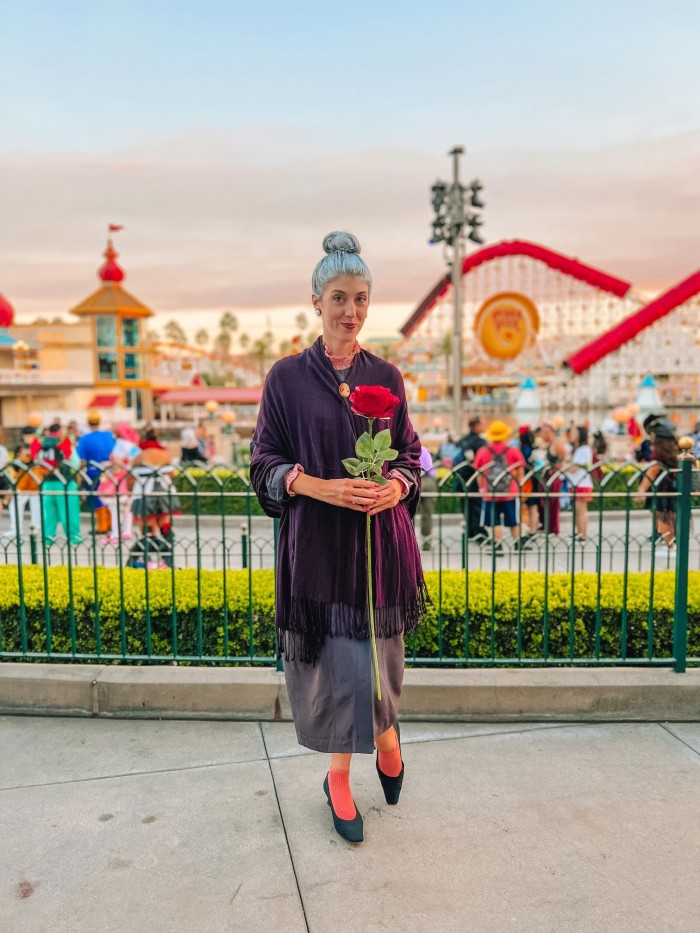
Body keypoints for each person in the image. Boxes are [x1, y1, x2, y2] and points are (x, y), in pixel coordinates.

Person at [250, 231, 426, 844]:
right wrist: (322, 487)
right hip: (320, 550)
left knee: (380, 664)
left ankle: (385, 735)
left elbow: (411, 455)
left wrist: (395, 489)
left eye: (360, 298)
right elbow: (263, 462)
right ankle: (342, 777)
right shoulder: (287, 378)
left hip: (381, 550)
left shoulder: (387, 374)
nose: (350, 311)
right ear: (316, 302)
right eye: (338, 297)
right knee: (344, 668)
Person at [473, 420, 526, 555]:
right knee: (514, 520)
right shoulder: (512, 451)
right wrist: (519, 485)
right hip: (510, 492)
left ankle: (497, 545)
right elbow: (520, 470)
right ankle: (517, 544)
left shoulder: (483, 451)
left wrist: (482, 489)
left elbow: (479, 473)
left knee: (494, 521)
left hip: (491, 493)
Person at [30, 421, 82, 546]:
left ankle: (48, 538)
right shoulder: (63, 443)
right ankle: (74, 537)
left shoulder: (41, 444)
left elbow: (34, 460)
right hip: (64, 482)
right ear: (59, 431)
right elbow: (75, 463)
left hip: (47, 483)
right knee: (69, 512)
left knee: (49, 514)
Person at [634, 423, 678, 557]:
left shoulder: (658, 453)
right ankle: (671, 545)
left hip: (662, 489)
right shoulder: (674, 450)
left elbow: (652, 472)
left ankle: (671, 546)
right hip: (671, 488)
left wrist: (641, 490)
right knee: (669, 517)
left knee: (662, 518)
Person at [98, 422, 140, 543]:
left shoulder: (120, 444)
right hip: (130, 479)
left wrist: (108, 465)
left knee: (115, 508)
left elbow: (117, 463)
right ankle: (127, 531)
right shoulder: (132, 445)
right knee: (128, 508)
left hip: (119, 480)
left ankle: (116, 533)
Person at [77, 411, 115, 534]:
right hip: (110, 471)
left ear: (88, 423)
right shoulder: (109, 436)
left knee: (96, 498)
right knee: (109, 496)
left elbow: (82, 460)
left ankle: (102, 526)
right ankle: (110, 524)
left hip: (94, 472)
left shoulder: (85, 439)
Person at [3, 426, 42, 539]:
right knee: (17, 505)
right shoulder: (23, 447)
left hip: (31, 481)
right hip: (25, 481)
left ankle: (32, 528)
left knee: (33, 506)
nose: (26, 438)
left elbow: (32, 462)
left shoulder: (36, 446)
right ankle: (17, 529)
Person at [455, 416, 488, 541]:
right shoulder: (480, 442)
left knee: (466, 505)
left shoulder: (463, 440)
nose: (483, 427)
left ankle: (469, 530)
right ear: (476, 426)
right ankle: (478, 532)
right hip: (474, 477)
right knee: (477, 505)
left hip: (461, 478)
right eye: (481, 424)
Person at [535, 423, 567, 536]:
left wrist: (559, 468)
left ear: (552, 433)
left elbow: (564, 457)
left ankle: (553, 529)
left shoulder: (556, 444)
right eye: (543, 432)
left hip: (553, 477)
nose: (543, 435)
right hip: (544, 476)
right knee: (545, 503)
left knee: (553, 503)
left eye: (546, 432)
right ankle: (546, 526)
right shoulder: (544, 445)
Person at [565, 426, 593, 542]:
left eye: (574, 433)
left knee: (581, 509)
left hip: (582, 483)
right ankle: (578, 531)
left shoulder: (584, 449)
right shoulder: (574, 449)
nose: (571, 435)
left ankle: (583, 534)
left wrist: (565, 467)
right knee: (576, 510)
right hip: (574, 483)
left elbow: (574, 467)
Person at [518, 426, 540, 543]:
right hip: (533, 479)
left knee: (527, 506)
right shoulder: (533, 449)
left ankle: (528, 529)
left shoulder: (522, 449)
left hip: (525, 480)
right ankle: (533, 529)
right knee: (533, 506)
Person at [416, 446, 437, 549]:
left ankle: (409, 544)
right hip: (428, 480)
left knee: (408, 514)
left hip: (415, 480)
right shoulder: (425, 450)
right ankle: (427, 544)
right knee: (427, 515)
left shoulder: (407, 446)